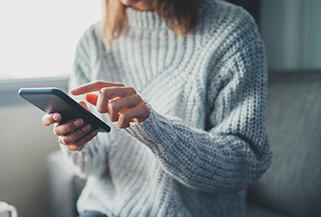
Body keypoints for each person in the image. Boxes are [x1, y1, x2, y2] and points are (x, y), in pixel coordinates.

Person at [42, 0, 272, 216]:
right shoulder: (94, 40)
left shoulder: (231, 29)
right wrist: (77, 141)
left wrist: (156, 130)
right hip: (105, 209)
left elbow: (246, 162)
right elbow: (92, 165)